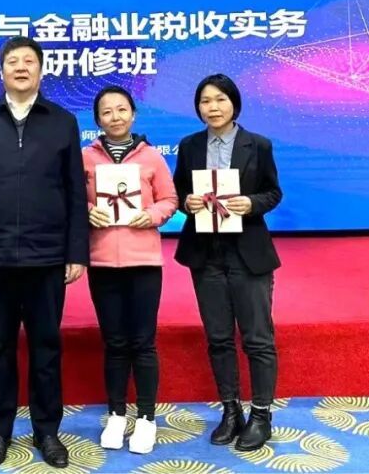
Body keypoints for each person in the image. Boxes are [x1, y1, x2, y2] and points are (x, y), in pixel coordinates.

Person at [0, 35, 89, 469]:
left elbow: (75, 190)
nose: (21, 68)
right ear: (1, 71)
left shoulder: (63, 121)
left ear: (42, 70)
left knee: (46, 345)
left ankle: (47, 431)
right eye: (13, 62)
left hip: (47, 255)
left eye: (29, 61)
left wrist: (77, 251)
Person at [172, 73, 283, 452]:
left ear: (234, 103)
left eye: (220, 99)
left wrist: (251, 203)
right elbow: (179, 190)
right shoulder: (189, 146)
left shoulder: (259, 144)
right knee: (218, 337)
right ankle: (231, 410)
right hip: (206, 254)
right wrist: (186, 202)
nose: (213, 107)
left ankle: (261, 415)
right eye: (205, 101)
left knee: (257, 338)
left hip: (247, 252)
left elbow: (273, 192)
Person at [82, 86, 178, 455]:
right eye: (107, 112)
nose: (115, 117)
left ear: (133, 114)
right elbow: (72, 199)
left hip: (144, 262)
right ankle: (117, 414)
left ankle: (147, 417)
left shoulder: (151, 156)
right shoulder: (85, 158)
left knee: (143, 342)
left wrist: (151, 215)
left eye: (122, 109)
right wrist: (87, 212)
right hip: (102, 261)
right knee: (115, 343)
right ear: (97, 119)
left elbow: (169, 199)